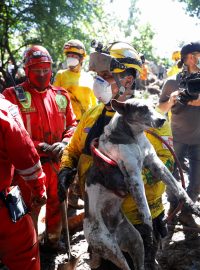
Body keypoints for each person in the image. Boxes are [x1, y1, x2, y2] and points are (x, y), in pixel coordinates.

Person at [57, 41, 174, 270]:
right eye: (97, 75)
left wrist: (128, 178)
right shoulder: (92, 114)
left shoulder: (154, 121)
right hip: (97, 219)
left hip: (136, 222)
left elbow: (165, 165)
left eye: (105, 75)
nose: (98, 81)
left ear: (127, 80)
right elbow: (72, 149)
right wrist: (66, 168)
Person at [3, 45, 77, 252]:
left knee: (57, 202)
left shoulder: (62, 95)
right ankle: (27, 248)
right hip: (26, 169)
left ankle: (53, 241)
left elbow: (73, 123)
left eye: (46, 69)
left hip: (57, 163)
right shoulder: (11, 96)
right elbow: (10, 131)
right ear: (27, 70)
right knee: (26, 209)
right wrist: (41, 146)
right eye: (37, 70)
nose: (42, 74)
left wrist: (64, 143)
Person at [0, 94, 47, 270]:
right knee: (25, 255)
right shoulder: (4, 109)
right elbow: (25, 155)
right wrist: (39, 189)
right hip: (3, 210)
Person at [158, 41, 200, 229]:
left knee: (197, 180)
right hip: (176, 138)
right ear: (190, 57)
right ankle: (173, 206)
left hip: (199, 139)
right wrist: (172, 100)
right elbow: (159, 109)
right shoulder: (171, 82)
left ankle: (186, 212)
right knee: (171, 176)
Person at [53, 39, 97, 122]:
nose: (70, 58)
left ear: (82, 58)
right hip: (68, 123)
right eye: (68, 56)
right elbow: (54, 100)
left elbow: (94, 103)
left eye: (73, 56)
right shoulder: (61, 75)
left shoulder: (89, 77)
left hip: (87, 122)